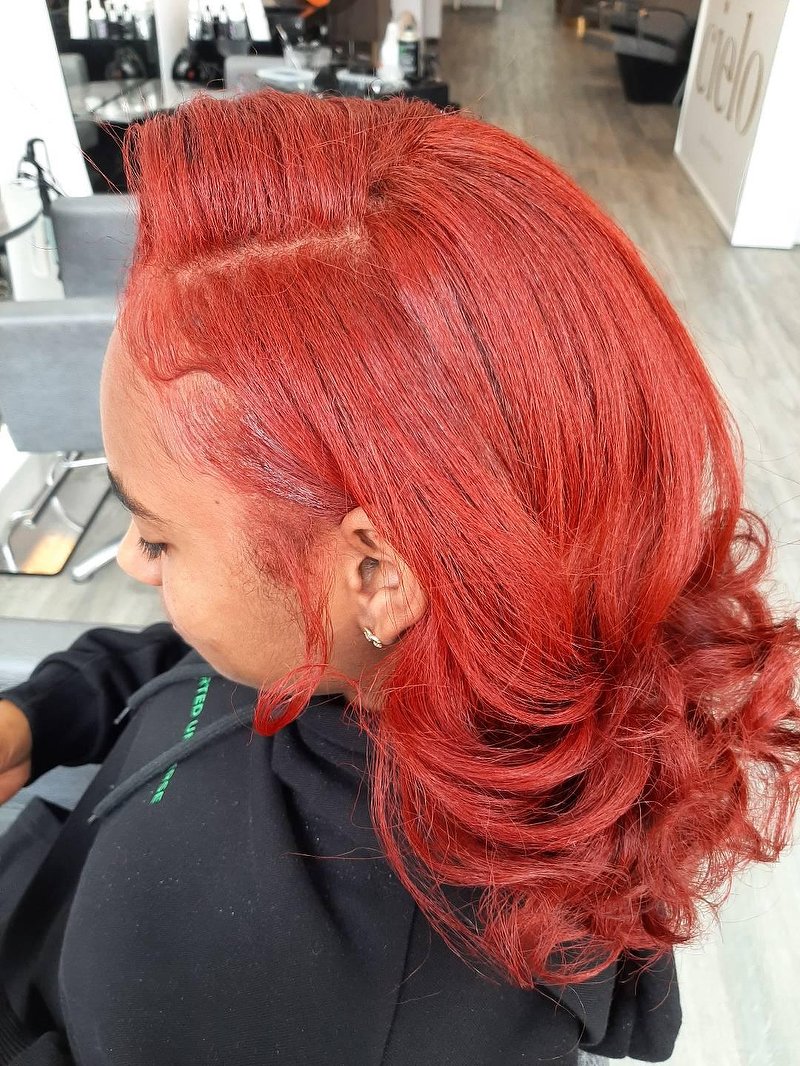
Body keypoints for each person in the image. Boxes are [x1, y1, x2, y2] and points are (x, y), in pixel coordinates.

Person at [0, 89, 799, 1065]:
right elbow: (194, 671)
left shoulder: (269, 1004)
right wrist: (48, 711)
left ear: (376, 572)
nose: (129, 560)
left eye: (159, 540)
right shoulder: (351, 641)